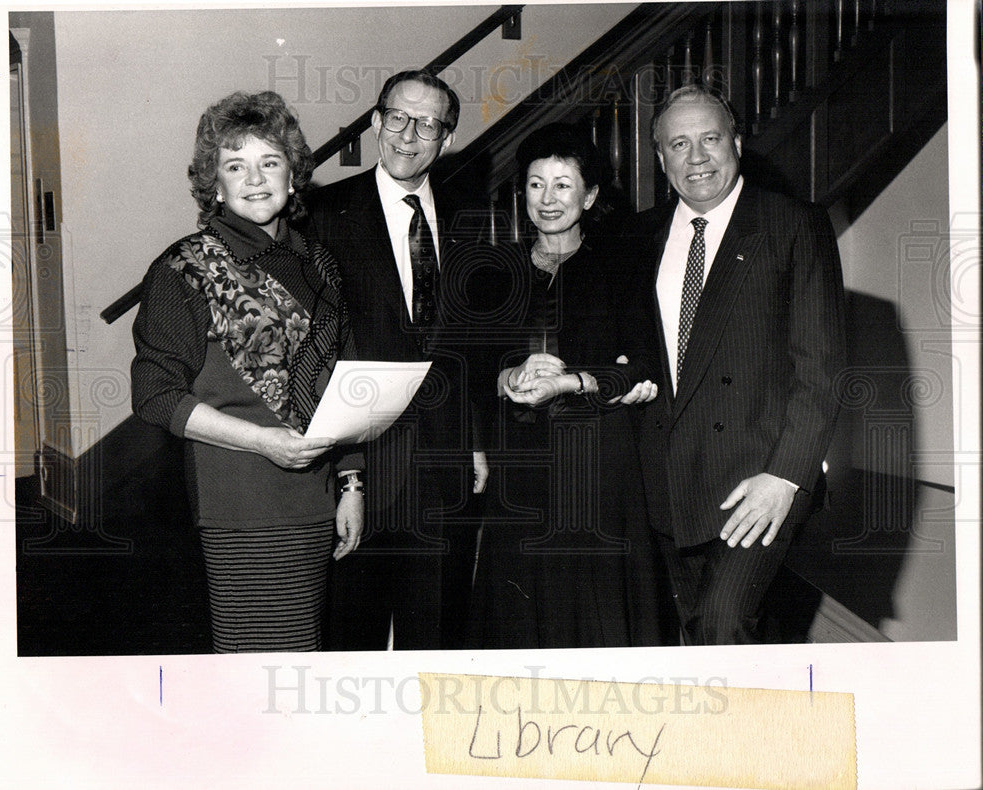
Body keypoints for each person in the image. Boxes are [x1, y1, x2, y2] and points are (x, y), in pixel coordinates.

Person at [131, 91, 363, 653]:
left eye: (270, 162)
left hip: (315, 494)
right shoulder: (183, 268)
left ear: (293, 175)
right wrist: (262, 442)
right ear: (215, 183)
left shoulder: (319, 263)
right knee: (253, 663)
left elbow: (347, 378)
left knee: (300, 653)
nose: (255, 179)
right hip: (238, 503)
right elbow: (154, 395)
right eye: (236, 165)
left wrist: (352, 484)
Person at [636, 85, 846, 645]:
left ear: (736, 142)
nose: (696, 157)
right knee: (685, 635)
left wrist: (786, 478)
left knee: (722, 624)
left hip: (759, 480)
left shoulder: (793, 225)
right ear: (660, 159)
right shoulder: (641, 239)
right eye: (679, 144)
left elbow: (822, 372)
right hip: (666, 485)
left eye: (710, 138)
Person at [305, 70, 488, 650]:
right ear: (377, 122)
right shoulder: (322, 214)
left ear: (447, 138)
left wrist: (477, 437)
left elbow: (473, 343)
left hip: (445, 459)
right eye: (398, 119)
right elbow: (312, 353)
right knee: (349, 638)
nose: (409, 135)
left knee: (435, 635)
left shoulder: (470, 215)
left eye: (427, 124)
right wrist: (346, 475)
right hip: (358, 465)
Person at [466, 123, 666, 649]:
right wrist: (507, 376)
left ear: (590, 195)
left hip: (596, 468)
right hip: (519, 471)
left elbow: (644, 363)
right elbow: (471, 370)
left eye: (562, 184)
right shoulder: (493, 273)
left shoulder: (623, 263)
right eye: (536, 184)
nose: (548, 198)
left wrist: (571, 381)